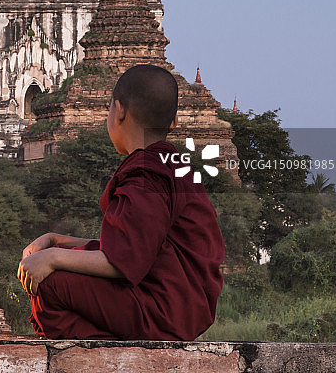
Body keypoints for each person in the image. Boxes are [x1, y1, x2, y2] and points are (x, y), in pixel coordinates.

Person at [18, 63, 225, 340]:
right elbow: (141, 247)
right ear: (174, 121)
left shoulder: (146, 173)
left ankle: (105, 353)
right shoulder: (174, 165)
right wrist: (57, 241)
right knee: (60, 263)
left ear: (119, 110)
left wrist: (53, 258)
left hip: (162, 312)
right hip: (179, 307)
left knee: (49, 283)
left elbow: (124, 261)